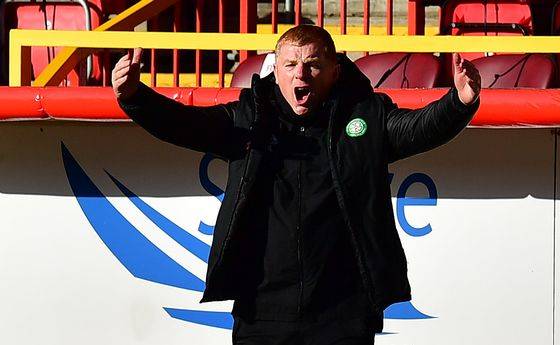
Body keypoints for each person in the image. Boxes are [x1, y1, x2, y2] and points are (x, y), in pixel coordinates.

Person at [112, 25, 481, 345]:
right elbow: (184, 124)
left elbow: (417, 129)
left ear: (335, 71)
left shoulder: (365, 115)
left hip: (344, 310)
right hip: (263, 309)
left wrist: (460, 100)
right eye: (290, 65)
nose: (300, 74)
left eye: (312, 65)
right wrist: (134, 96)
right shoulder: (250, 118)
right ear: (277, 72)